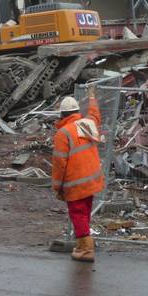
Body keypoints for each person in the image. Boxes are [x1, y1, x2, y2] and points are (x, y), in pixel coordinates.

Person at [51, 86, 104, 262]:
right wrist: (92, 98)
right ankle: (81, 246)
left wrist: (57, 187)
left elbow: (60, 164)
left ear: (62, 115)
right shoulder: (87, 124)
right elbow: (95, 115)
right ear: (76, 111)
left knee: (78, 214)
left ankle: (87, 250)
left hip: (76, 183)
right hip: (92, 180)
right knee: (85, 212)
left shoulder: (63, 133)